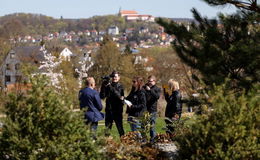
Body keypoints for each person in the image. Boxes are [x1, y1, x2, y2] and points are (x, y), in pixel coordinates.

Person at [100, 71, 125, 137]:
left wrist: (109, 86)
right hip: (109, 110)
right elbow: (102, 96)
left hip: (117, 110)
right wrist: (103, 86)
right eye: (113, 76)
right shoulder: (108, 85)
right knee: (107, 130)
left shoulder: (120, 86)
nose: (114, 78)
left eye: (116, 76)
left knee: (120, 129)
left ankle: (124, 144)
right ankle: (106, 144)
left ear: (119, 78)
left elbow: (118, 95)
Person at [143, 75, 161, 142]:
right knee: (144, 126)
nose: (149, 82)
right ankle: (144, 139)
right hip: (145, 110)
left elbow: (157, 97)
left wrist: (150, 90)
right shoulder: (144, 87)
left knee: (152, 126)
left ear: (154, 81)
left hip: (153, 110)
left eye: (150, 81)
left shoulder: (157, 89)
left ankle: (153, 140)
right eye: (148, 81)